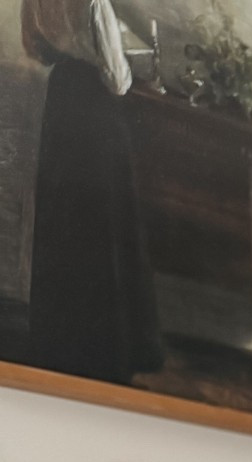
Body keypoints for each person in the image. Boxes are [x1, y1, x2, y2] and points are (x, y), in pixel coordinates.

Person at [23, 0, 163, 384]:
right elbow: (118, 79)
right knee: (105, 222)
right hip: (93, 106)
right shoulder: (93, 2)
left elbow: (34, 50)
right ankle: (108, 347)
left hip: (61, 100)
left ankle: (60, 343)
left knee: (64, 220)